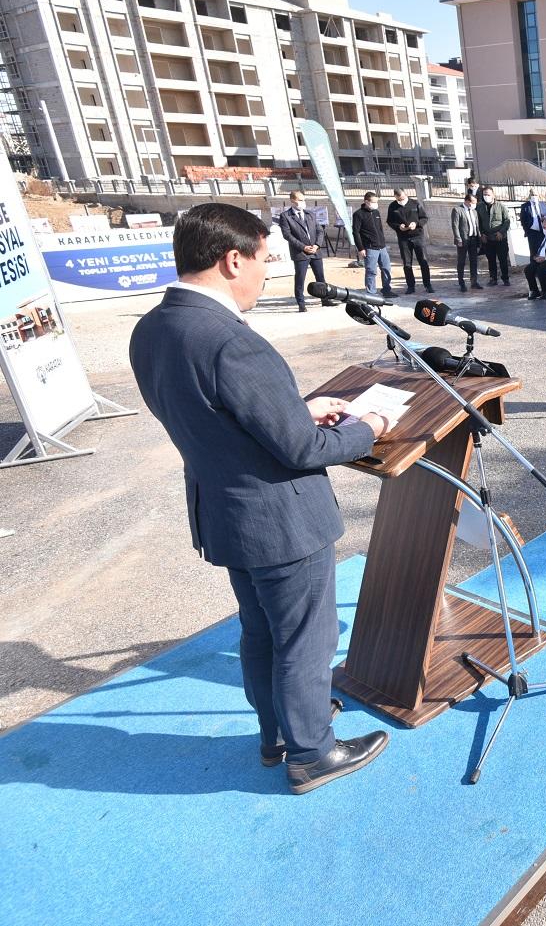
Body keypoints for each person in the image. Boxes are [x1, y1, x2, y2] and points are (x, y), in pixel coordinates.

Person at [128, 203, 391, 794]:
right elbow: (301, 449)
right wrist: (367, 429)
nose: (267, 273)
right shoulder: (230, 340)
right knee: (305, 640)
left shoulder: (153, 329)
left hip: (225, 512)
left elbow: (215, 416)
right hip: (280, 518)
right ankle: (313, 752)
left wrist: (295, 410)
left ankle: (276, 735)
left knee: (261, 632)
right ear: (232, 260)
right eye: (264, 260)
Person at [277, 190, 334, 312]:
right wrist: (303, 247)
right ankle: (301, 304)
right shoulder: (286, 216)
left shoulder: (310, 214)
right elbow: (287, 235)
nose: (303, 202)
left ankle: (325, 299)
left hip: (315, 251)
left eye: (304, 200)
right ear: (293, 201)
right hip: (300, 253)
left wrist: (317, 245)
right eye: (300, 200)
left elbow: (319, 231)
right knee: (300, 278)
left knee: (320, 277)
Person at [386, 187, 431, 295]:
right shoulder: (392, 206)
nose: (401, 200)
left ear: (405, 194)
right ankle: (411, 286)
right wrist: (398, 226)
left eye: (403, 198)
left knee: (423, 261)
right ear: (395, 197)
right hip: (403, 238)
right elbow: (390, 221)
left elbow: (424, 218)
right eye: (399, 199)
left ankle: (428, 285)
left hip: (418, 236)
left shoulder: (415, 203)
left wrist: (417, 224)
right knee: (407, 263)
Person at [351, 191, 395, 300]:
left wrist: (383, 242)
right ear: (366, 202)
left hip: (382, 247)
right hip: (370, 248)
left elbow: (380, 229)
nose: (376, 204)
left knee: (386, 268)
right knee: (371, 271)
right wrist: (361, 248)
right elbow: (356, 232)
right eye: (373, 202)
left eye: (376, 202)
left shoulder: (376, 212)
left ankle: (386, 290)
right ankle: (371, 293)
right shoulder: (358, 214)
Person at [477, 187, 511, 287]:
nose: (486, 196)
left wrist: (501, 232)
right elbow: (477, 222)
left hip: (500, 238)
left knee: (503, 260)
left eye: (488, 194)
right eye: (484, 194)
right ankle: (493, 279)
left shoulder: (501, 206)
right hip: (487, 239)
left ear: (493, 195)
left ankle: (505, 279)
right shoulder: (479, 207)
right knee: (491, 260)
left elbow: (507, 221)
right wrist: (481, 234)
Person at [451, 193, 482, 293]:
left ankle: (474, 282)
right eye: (473, 202)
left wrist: (479, 237)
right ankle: (461, 283)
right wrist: (458, 239)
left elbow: (476, 225)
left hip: (473, 239)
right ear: (467, 201)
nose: (474, 205)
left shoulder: (474, 211)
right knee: (461, 262)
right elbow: (455, 226)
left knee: (474, 261)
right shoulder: (457, 210)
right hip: (463, 240)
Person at [520, 190, 546, 259]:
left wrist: (545, 218)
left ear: (538, 195)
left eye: (535, 195)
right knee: (533, 252)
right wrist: (527, 231)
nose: (534, 196)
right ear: (530, 195)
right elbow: (523, 220)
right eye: (532, 194)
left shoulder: (543, 204)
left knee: (544, 250)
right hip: (532, 232)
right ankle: (534, 265)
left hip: (543, 231)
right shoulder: (525, 206)